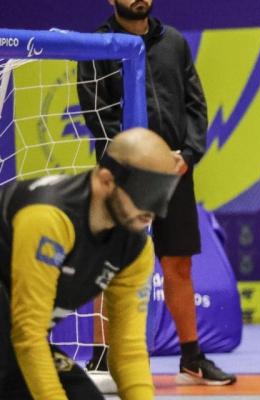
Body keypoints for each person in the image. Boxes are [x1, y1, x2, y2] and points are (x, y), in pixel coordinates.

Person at [76, 0, 236, 385]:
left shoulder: (175, 42)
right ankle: (102, 359)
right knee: (110, 265)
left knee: (179, 264)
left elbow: (195, 104)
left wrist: (189, 153)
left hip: (175, 171)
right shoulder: (95, 46)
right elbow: (96, 113)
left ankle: (192, 359)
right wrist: (131, 159)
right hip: (123, 176)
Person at [0, 128, 180, 399]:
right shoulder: (48, 218)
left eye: (162, 194)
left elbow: (129, 351)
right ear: (106, 180)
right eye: (146, 192)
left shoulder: (135, 248)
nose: (152, 211)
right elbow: (29, 332)